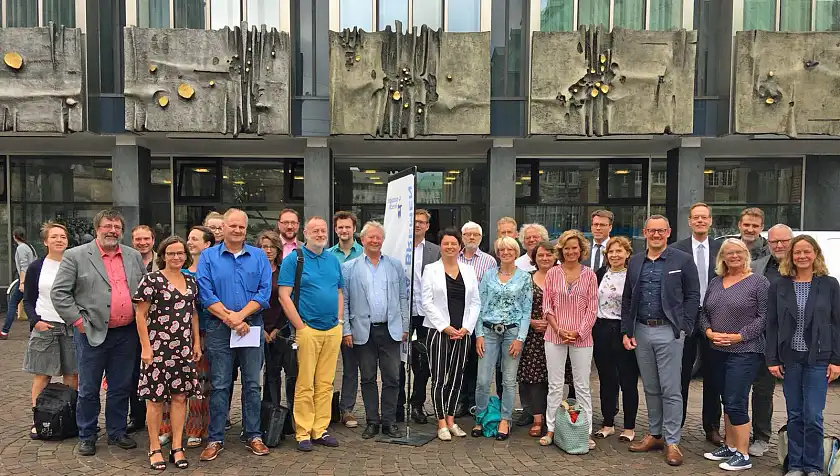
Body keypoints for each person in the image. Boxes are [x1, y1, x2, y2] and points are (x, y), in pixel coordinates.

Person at [51, 209, 146, 456]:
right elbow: (59, 294)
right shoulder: (76, 256)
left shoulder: (133, 256)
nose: (112, 230)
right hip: (91, 332)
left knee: (121, 387)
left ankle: (116, 432)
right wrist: (79, 322)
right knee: (89, 388)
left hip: (126, 333)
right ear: (97, 229)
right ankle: (87, 435)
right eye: (107, 226)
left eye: (117, 226)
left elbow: (144, 292)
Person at [621, 215, 700, 467]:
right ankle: (655, 435)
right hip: (641, 331)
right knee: (651, 387)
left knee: (671, 389)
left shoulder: (683, 261)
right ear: (645, 232)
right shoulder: (634, 261)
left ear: (668, 232)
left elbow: (692, 295)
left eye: (660, 231)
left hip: (670, 331)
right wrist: (627, 330)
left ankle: (672, 441)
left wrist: (685, 326)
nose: (656, 235)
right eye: (651, 231)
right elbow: (627, 298)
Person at [197, 208, 273, 462]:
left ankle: (253, 434)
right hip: (220, 329)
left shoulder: (259, 256)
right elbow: (206, 295)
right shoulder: (208, 257)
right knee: (220, 385)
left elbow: (263, 293)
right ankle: (215, 437)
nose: (237, 230)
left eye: (242, 226)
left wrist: (240, 317)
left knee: (252, 384)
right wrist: (230, 318)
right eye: (233, 226)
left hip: (251, 327)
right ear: (224, 227)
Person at [767, 235, 840, 476]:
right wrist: (772, 359)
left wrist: (836, 360)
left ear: (815, 253)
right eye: (797, 252)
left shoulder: (829, 284)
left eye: (806, 251)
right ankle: (796, 465)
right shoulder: (779, 285)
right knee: (795, 414)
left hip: (818, 359)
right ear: (791, 256)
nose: (802, 256)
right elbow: (772, 324)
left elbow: (837, 324)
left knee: (813, 415)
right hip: (790, 359)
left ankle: (814, 466)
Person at [700, 238, 769, 471]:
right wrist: (708, 331)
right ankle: (730, 447)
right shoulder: (715, 282)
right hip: (717, 350)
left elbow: (764, 317)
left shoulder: (758, 282)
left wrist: (739, 336)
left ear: (745, 255)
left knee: (736, 401)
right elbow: (704, 312)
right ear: (722, 257)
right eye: (729, 253)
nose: (734, 256)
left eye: (738, 252)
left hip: (745, 350)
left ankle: (743, 453)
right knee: (725, 399)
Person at [135, 236, 202, 471]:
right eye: (171, 253)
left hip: (182, 349)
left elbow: (192, 313)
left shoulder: (191, 281)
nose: (176, 257)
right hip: (157, 349)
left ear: (186, 255)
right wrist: (145, 347)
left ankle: (176, 446)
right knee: (154, 400)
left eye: (180, 253)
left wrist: (196, 343)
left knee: (180, 398)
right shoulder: (151, 280)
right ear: (163, 255)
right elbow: (140, 315)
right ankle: (154, 447)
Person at [278, 216, 344, 453]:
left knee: (325, 383)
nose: (319, 233)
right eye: (314, 230)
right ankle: (303, 431)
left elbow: (338, 291)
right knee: (305, 383)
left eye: (323, 230)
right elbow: (284, 296)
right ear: (305, 233)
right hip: (308, 330)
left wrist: (339, 321)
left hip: (331, 330)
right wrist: (301, 328)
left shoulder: (333, 260)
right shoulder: (294, 259)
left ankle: (320, 429)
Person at [342, 221, 409, 439]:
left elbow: (402, 297)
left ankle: (389, 421)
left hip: (390, 330)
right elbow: (345, 301)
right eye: (370, 237)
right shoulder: (349, 267)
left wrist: (405, 325)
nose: (374, 240)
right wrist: (346, 330)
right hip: (363, 330)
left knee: (392, 377)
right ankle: (372, 421)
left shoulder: (395, 265)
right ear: (362, 240)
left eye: (378, 237)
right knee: (368, 378)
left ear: (383, 240)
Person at [421, 228, 481, 441]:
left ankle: (451, 419)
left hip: (462, 333)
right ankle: (440, 423)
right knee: (439, 378)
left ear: (459, 246)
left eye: (453, 244)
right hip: (439, 332)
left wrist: (467, 327)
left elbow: (475, 302)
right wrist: (444, 326)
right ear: (441, 246)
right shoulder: (430, 270)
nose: (450, 247)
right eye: (446, 244)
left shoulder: (469, 271)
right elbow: (425, 302)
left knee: (456, 378)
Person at [540, 229, 598, 449]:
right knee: (555, 386)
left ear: (581, 249)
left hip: (582, 339)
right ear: (561, 250)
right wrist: (558, 329)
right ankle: (552, 429)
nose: (571, 251)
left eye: (575, 248)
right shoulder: (553, 273)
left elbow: (592, 309)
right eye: (567, 248)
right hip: (554, 336)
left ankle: (585, 431)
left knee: (582, 386)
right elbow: (547, 306)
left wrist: (579, 332)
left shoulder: (590, 275)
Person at [672, 202, 724, 444]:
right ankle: (676, 425)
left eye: (704, 217)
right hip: (686, 317)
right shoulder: (677, 250)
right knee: (681, 373)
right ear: (690, 222)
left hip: (716, 317)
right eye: (696, 217)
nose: (700, 221)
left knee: (714, 375)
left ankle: (712, 427)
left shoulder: (722, 248)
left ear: (710, 221)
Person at [472, 236, 532, 441]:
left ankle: (505, 419)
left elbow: (526, 310)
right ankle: (480, 417)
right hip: (488, 331)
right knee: (482, 379)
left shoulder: (524, 278)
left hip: (512, 333)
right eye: (501, 250)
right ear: (497, 253)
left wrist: (520, 338)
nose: (505, 253)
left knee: (508, 379)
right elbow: (478, 306)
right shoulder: (488, 276)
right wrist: (478, 334)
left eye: (510, 250)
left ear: (516, 252)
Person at [22, 222, 75, 439]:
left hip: (70, 326)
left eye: (62, 236)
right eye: (54, 237)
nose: (59, 240)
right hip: (46, 326)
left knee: (72, 375)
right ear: (45, 241)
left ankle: (69, 419)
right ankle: (39, 419)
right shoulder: (37, 267)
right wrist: (35, 321)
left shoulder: (73, 264)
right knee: (42, 375)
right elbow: (28, 300)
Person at [747, 223, 793, 457]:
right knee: (762, 391)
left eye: (784, 240)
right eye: (775, 241)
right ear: (768, 242)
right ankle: (761, 436)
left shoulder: (804, 267)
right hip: (765, 339)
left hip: (796, 341)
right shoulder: (758, 267)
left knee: (798, 393)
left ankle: (797, 442)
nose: (780, 245)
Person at [592, 236, 639, 442]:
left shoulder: (634, 275)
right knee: (606, 379)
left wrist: (629, 331)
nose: (614, 255)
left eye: (619, 251)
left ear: (628, 253)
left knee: (628, 379)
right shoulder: (600, 273)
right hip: (601, 329)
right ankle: (608, 422)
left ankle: (629, 426)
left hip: (624, 330)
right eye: (611, 252)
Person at [400, 209, 440, 424]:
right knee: (398, 360)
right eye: (414, 221)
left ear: (427, 226)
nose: (417, 225)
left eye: (422, 222)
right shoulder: (398, 249)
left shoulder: (435, 251)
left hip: (426, 315)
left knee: (423, 361)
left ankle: (417, 404)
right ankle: (397, 404)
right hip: (402, 312)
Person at [328, 211, 363, 429]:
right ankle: (327, 409)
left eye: (347, 227)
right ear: (335, 230)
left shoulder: (363, 253)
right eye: (340, 227)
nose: (344, 231)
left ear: (354, 228)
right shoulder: (328, 254)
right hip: (331, 318)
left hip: (355, 318)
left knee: (351, 368)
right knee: (328, 367)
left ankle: (347, 410)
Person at [518, 241, 555, 438]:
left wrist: (553, 324)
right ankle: (537, 418)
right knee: (534, 378)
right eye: (541, 255)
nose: (545, 258)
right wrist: (531, 321)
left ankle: (554, 417)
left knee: (555, 378)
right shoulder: (526, 279)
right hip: (532, 335)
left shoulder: (561, 277)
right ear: (534, 258)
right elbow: (518, 306)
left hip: (556, 333)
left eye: (549, 254)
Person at [183, 226, 215, 448]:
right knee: (191, 383)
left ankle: (210, 427)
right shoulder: (182, 273)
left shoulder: (214, 272)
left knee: (210, 383)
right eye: (189, 239)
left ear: (207, 244)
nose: (190, 242)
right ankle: (192, 428)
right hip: (185, 334)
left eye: (195, 239)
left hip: (212, 331)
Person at [129, 224, 158, 433]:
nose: (142, 243)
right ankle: (136, 416)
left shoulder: (163, 261)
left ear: (153, 240)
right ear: (132, 241)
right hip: (132, 324)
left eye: (146, 239)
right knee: (133, 373)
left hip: (160, 327)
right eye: (138, 239)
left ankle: (161, 419)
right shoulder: (127, 261)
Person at [2, 227, 37, 339]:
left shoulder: (21, 248)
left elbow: (23, 266)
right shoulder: (29, 247)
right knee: (32, 305)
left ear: (14, 236)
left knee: (12, 304)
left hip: (24, 280)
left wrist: (22, 282)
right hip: (31, 279)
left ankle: (4, 331)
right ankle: (33, 331)